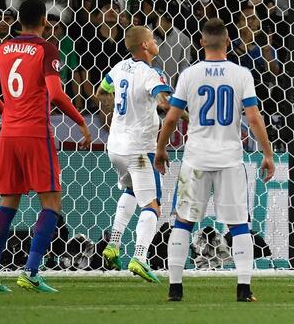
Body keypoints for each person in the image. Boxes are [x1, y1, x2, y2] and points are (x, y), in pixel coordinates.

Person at [154, 18, 275, 303]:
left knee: (183, 222)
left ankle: (175, 288)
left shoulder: (189, 74)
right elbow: (254, 118)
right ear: (229, 42)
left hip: (195, 158)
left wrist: (160, 149)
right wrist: (267, 153)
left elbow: (171, 118)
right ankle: (243, 289)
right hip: (230, 159)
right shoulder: (241, 73)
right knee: (238, 225)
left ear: (200, 42)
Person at [0, 0, 91, 293]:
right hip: (36, 134)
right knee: (51, 203)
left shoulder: (2, 49)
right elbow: (56, 93)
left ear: (18, 21)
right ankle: (31, 271)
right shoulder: (46, 48)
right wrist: (80, 121)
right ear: (44, 22)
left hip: (8, 134)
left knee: (8, 203)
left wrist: (9, 112)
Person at [96, 26, 173, 283]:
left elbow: (102, 90)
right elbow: (162, 100)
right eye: (152, 38)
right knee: (152, 203)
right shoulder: (149, 74)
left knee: (130, 191)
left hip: (116, 147)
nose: (155, 41)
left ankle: (113, 244)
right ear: (144, 46)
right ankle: (140, 256)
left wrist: (111, 115)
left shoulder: (119, 68)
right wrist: (185, 114)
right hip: (139, 150)